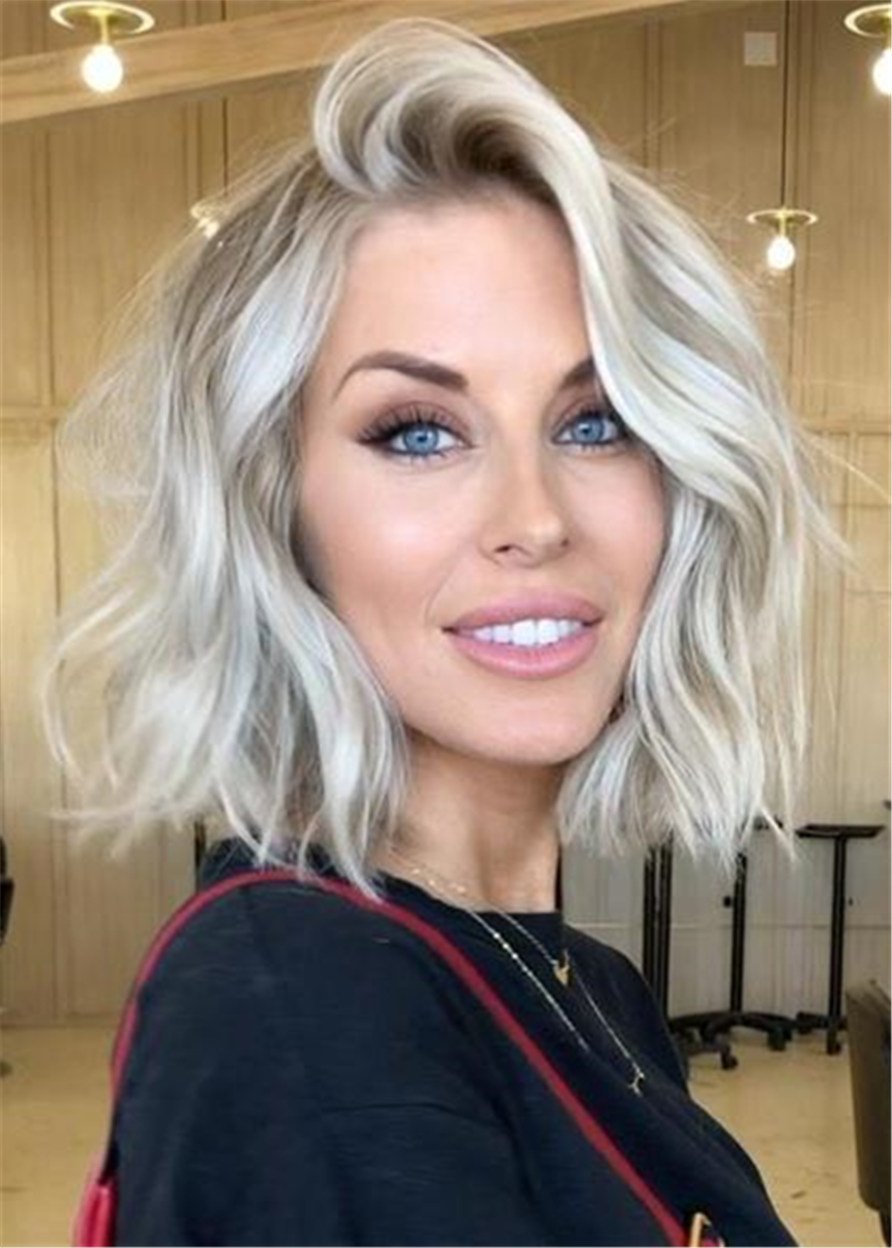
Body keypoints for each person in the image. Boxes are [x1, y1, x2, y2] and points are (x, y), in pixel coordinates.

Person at [40, 16, 845, 1247]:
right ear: (275, 510)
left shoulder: (586, 986)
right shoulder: (304, 1016)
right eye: (417, 432)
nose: (534, 519)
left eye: (595, 422)